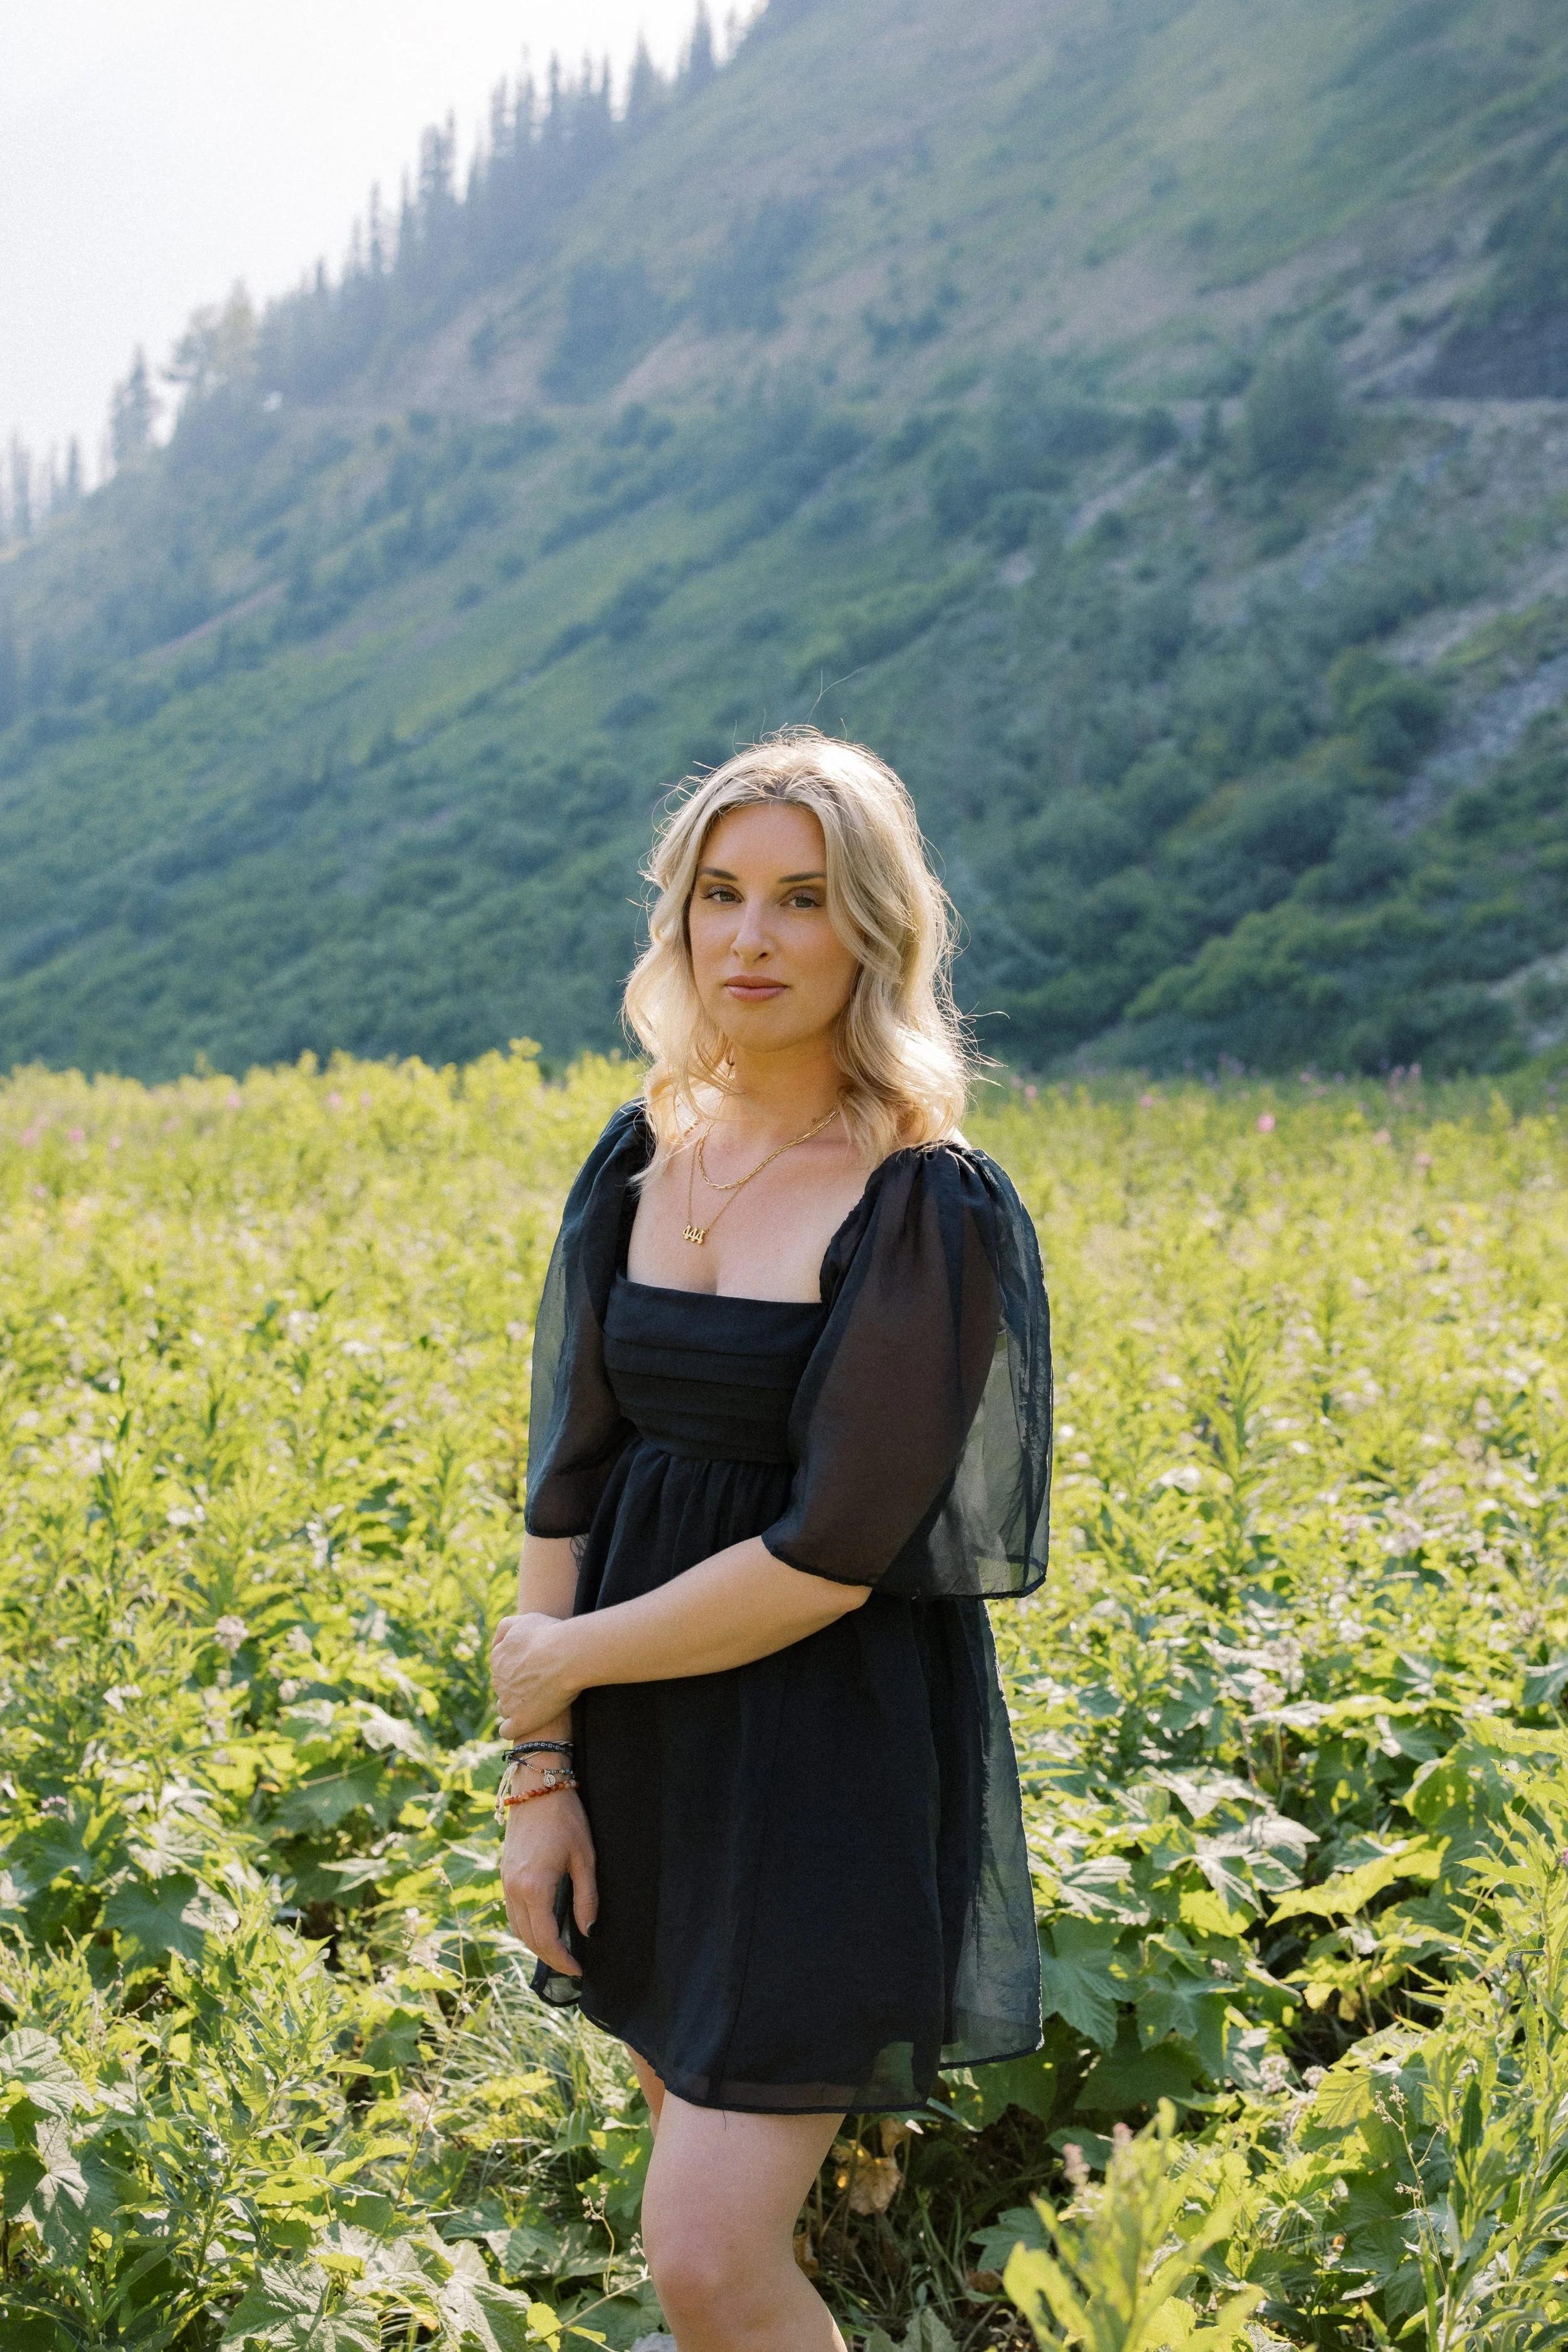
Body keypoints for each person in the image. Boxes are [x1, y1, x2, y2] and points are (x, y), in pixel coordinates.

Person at [489, 728, 1052, 2352]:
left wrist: (561, 1661)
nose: (751, 936)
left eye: (802, 898)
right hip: (645, 1747)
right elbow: (571, 1475)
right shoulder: (640, 1152)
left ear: (875, 928)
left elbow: (831, 1552)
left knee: (708, 2257)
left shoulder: (923, 1201)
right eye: (720, 893)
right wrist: (541, 1773)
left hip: (826, 1758)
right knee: (687, 2172)